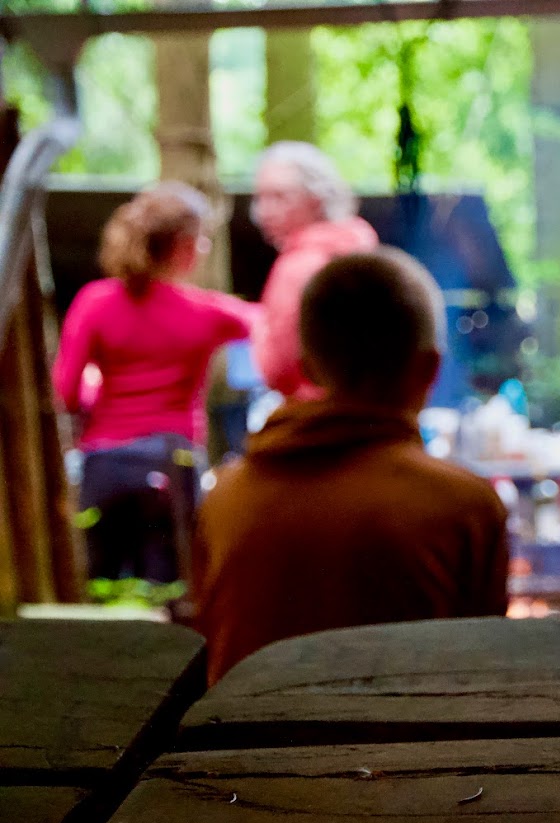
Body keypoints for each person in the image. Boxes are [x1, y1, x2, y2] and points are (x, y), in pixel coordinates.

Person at [192, 247, 509, 684]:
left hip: (245, 748)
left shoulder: (224, 499)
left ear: (308, 368)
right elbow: (482, 673)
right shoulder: (464, 507)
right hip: (410, 753)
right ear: (429, 368)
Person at [52, 182, 257, 585]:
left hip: (104, 466)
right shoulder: (209, 312)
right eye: (201, 240)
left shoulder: (94, 301)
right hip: (172, 465)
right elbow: (277, 330)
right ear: (183, 245)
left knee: (102, 586)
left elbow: (65, 391)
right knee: (174, 588)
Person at [249, 140, 379, 399]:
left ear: (316, 199)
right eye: (260, 197)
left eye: (279, 197)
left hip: (315, 417)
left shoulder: (298, 267)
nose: (263, 211)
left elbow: (278, 369)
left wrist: (260, 331)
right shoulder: (364, 252)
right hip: (370, 410)